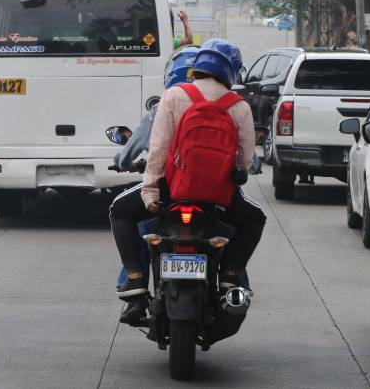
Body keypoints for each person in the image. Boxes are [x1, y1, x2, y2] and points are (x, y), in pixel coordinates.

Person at [109, 39, 266, 314]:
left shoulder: (174, 96)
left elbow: (158, 150)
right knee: (255, 219)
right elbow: (245, 162)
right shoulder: (239, 106)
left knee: (119, 210)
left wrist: (150, 193)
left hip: (172, 191)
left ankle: (134, 278)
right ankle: (230, 275)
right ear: (232, 71)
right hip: (219, 197)